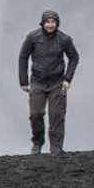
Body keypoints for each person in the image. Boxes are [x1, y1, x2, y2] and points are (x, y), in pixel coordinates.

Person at [17, 9, 79, 153]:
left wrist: (67, 79)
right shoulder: (33, 37)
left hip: (57, 82)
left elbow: (74, 57)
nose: (50, 25)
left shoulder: (64, 39)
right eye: (47, 22)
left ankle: (56, 147)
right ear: (43, 23)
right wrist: (23, 81)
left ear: (57, 23)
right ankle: (37, 142)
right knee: (35, 114)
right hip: (38, 81)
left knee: (56, 115)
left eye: (53, 22)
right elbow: (23, 57)